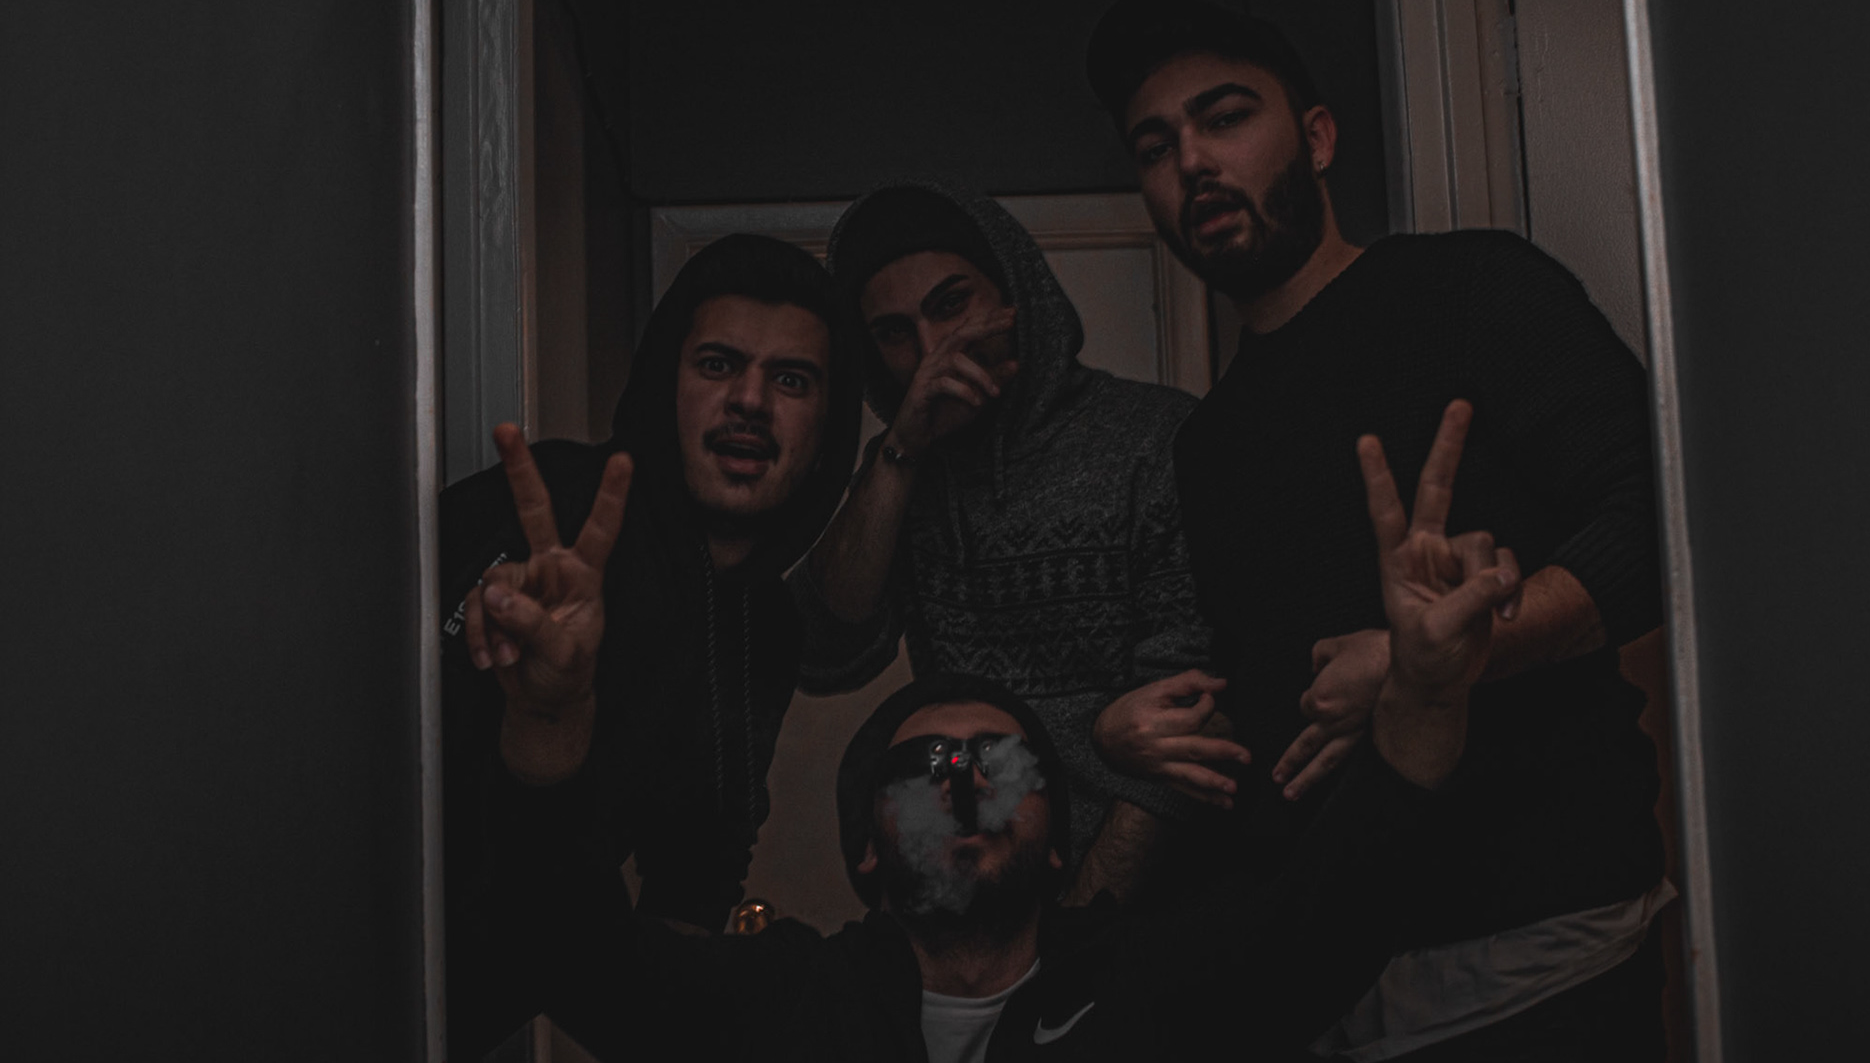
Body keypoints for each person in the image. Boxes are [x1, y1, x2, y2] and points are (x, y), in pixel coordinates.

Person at [464, 402, 1524, 1062]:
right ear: (867, 849)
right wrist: (550, 713)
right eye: (927, 766)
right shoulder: (783, 1006)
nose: (965, 781)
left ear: (1060, 841)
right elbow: (570, 951)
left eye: (1003, 764)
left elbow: (1348, 902)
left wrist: (1428, 689)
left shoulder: (1158, 986)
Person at [1085, 0, 1672, 1059]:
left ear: (1316, 139)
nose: (1193, 162)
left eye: (1225, 117)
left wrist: (1440, 662)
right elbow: (1287, 685)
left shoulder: (1474, 288)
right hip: (1329, 975)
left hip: (1538, 950)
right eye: (1156, 147)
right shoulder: (1206, 445)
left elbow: (1654, 532)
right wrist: (1144, 738)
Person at [438, 234, 866, 1057]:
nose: (750, 400)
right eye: (717, 364)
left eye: (791, 379)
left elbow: (696, 867)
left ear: (827, 428)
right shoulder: (556, 510)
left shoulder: (766, 627)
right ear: (667, 383)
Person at [788, 182, 1248, 907]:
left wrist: (1078, 928)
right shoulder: (903, 474)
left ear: (1015, 295)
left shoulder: (1156, 439)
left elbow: (1193, 711)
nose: (931, 352)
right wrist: (900, 451)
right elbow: (823, 647)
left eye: (951, 305)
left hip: (1154, 903)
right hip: (977, 903)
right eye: (895, 333)